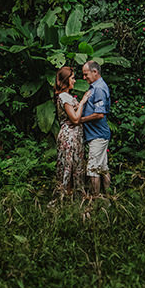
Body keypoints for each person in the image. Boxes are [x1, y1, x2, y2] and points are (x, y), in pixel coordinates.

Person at [53, 66, 90, 196]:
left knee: (75, 166)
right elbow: (74, 119)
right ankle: (65, 198)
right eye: (72, 78)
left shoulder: (67, 96)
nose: (74, 81)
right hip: (69, 136)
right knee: (68, 167)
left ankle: (73, 198)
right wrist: (82, 102)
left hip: (75, 136)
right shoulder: (64, 97)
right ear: (66, 80)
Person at [78, 60, 111, 196]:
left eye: (86, 75)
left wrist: (81, 120)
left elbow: (99, 114)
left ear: (95, 72)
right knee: (103, 168)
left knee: (92, 169)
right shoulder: (95, 86)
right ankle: (109, 198)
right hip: (97, 135)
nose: (84, 78)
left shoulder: (99, 88)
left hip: (98, 135)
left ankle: (95, 201)